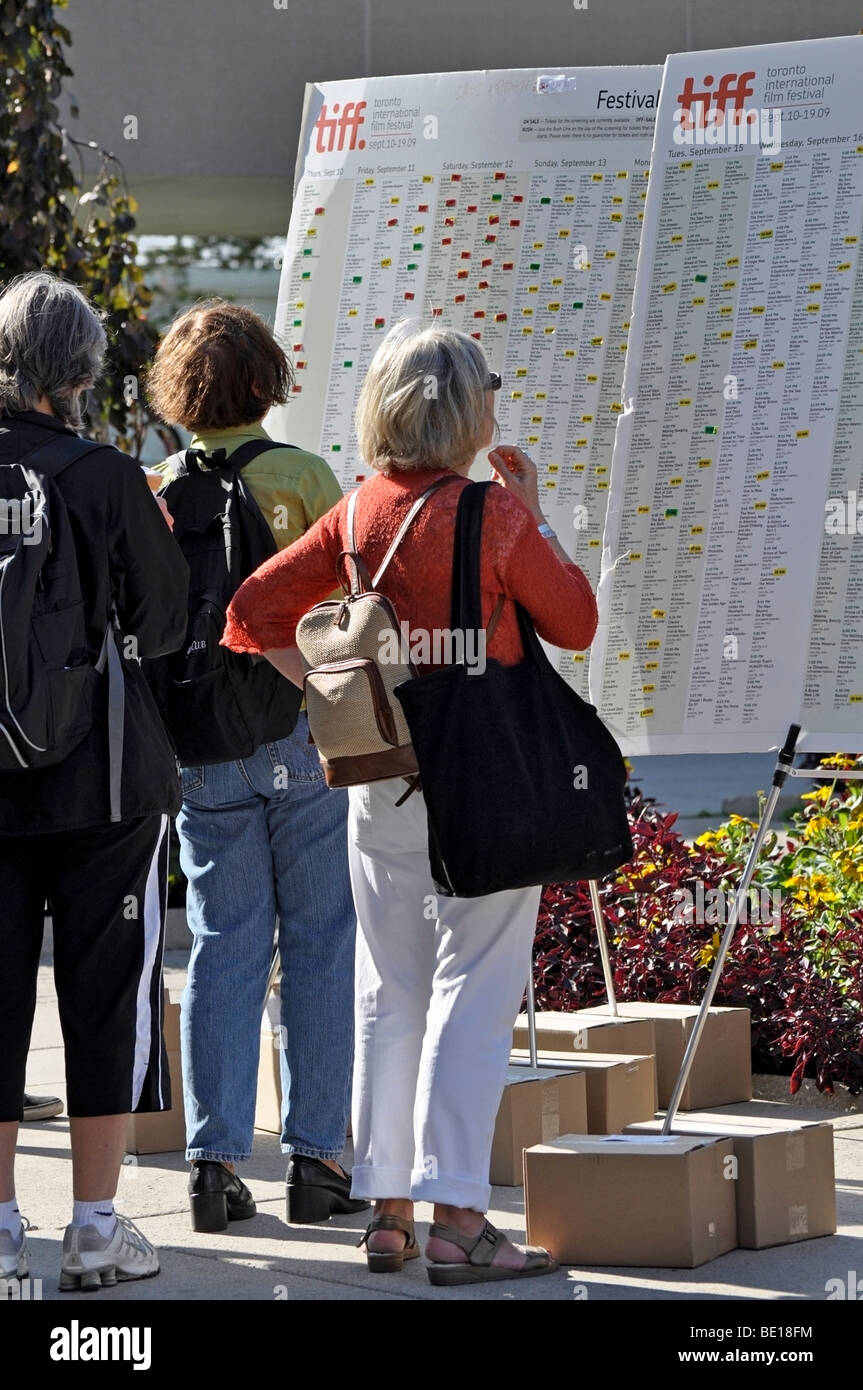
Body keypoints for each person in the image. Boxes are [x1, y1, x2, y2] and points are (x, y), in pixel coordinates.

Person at [222, 320, 598, 1285]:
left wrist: (330, 698)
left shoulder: (355, 516)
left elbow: (251, 611)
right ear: (468, 410)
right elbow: (577, 621)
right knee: (472, 990)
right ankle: (459, 1219)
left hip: (380, 778)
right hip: (487, 784)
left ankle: (387, 1209)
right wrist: (536, 511)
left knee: (386, 989)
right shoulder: (494, 516)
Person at [147, 302, 367, 1232]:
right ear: (265, 380)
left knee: (223, 951)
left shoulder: (157, 484)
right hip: (300, 735)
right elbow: (350, 607)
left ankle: (213, 1168)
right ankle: (316, 1161)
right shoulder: (304, 476)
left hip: (201, 750)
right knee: (319, 943)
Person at [0, 271, 189, 1290]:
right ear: (78, 369)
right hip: (100, 783)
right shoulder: (107, 477)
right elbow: (164, 626)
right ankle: (93, 1226)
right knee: (105, 994)